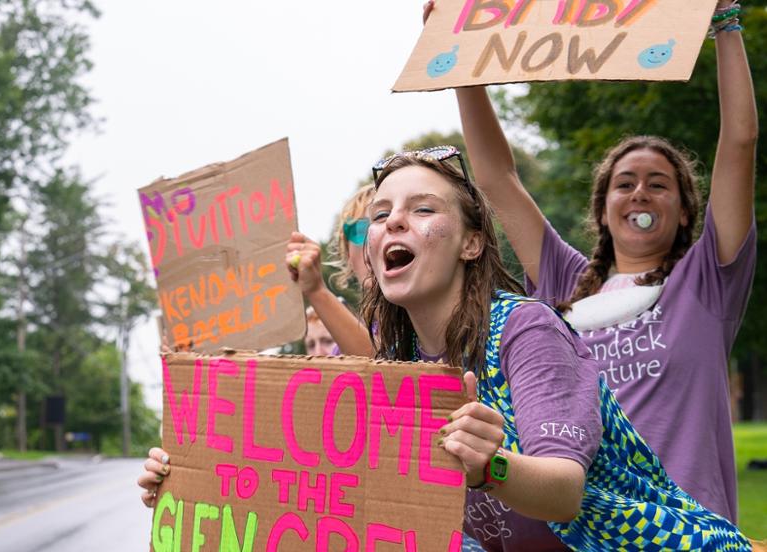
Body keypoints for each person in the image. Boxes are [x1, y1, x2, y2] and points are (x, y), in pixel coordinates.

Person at [140, 148, 758, 550]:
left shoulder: (526, 331)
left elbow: (563, 491)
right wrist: (195, 476)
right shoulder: (406, 361)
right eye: (381, 214)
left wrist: (491, 467)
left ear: (470, 244)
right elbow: (314, 476)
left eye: (422, 209)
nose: (393, 222)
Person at [435, 0, 757, 523]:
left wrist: (726, 22)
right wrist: (463, 56)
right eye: (624, 184)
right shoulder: (564, 281)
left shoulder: (707, 280)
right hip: (588, 532)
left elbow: (740, 143)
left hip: (684, 532)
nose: (640, 193)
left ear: (684, 212)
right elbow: (496, 178)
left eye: (659, 185)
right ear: (603, 209)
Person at [285, 185, 377, 356]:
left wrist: (317, 291)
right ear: (348, 255)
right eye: (360, 230)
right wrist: (315, 290)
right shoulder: (340, 354)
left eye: (384, 221)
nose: (374, 241)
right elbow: (376, 366)